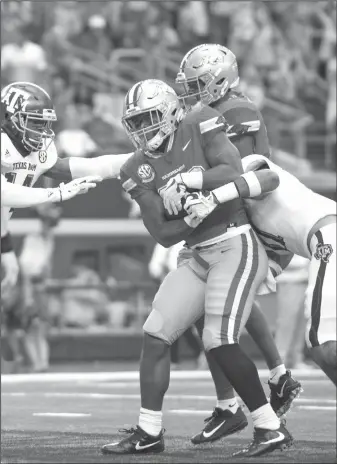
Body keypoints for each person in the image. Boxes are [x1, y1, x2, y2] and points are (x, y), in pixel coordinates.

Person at [101, 79, 292, 457]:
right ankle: (149, 431)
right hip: (195, 254)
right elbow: (162, 234)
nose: (142, 130)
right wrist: (190, 218)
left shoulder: (201, 121)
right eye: (135, 123)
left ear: (172, 111)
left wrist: (190, 181)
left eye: (149, 118)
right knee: (156, 333)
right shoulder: (136, 167)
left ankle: (270, 427)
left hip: (235, 243)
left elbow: (232, 168)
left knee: (218, 340)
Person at [175, 43, 301, 444]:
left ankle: (234, 404)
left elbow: (236, 175)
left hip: (252, 218)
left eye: (198, 84)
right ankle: (274, 378)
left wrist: (194, 185)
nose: (192, 91)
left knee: (213, 312)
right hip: (236, 216)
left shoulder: (237, 112)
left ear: (219, 81)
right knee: (219, 311)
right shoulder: (220, 109)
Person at [184, 153, 336, 389]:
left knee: (323, 346)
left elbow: (268, 178)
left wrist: (213, 196)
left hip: (328, 237)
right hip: (323, 240)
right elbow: (285, 246)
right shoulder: (249, 220)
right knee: (323, 349)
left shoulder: (246, 166)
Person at [1, 81, 134, 298]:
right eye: (34, 122)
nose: (42, 131)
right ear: (8, 118)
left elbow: (94, 167)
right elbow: (3, 193)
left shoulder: (35, 153)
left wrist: (142, 157)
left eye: (44, 124)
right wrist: (56, 193)